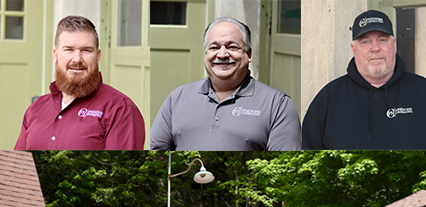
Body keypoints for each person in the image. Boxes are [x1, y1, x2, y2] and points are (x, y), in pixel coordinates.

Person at [301, 10, 426, 150]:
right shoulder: (327, 100)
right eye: (365, 42)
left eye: (382, 40)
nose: (375, 48)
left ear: (394, 44)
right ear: (354, 49)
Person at [150, 17, 301, 151]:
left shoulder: (277, 104)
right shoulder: (177, 98)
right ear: (206, 54)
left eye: (232, 47)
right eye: (214, 47)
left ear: (248, 54)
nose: (222, 54)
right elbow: (157, 152)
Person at [15, 15, 145, 150]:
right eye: (69, 49)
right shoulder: (35, 109)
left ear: (97, 56)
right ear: (55, 55)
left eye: (86, 50)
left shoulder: (120, 109)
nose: (77, 59)